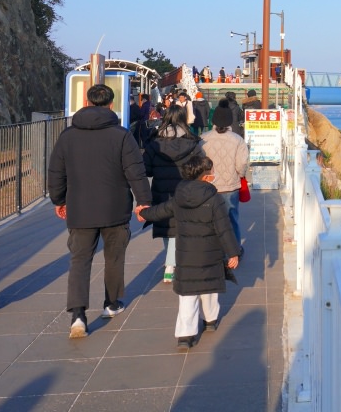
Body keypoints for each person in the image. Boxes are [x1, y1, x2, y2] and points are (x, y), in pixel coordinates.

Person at [47, 84, 151, 339]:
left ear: (87, 101)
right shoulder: (121, 135)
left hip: (80, 208)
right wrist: (143, 203)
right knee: (114, 257)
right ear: (111, 104)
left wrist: (59, 200)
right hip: (115, 207)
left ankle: (78, 316)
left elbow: (56, 172)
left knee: (79, 260)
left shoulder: (68, 135)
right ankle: (111, 303)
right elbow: (135, 172)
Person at [138, 155, 241, 350]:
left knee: (187, 296)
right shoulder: (214, 199)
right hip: (209, 253)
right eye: (210, 172)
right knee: (209, 289)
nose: (213, 175)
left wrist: (143, 213)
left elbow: (161, 211)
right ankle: (210, 320)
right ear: (205, 177)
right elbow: (224, 228)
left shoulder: (179, 196)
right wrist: (233, 253)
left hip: (186, 254)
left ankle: (185, 335)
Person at [142, 103, 202, 283]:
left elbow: (147, 170)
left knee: (166, 226)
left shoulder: (154, 143)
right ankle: (173, 263)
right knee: (180, 227)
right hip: (185, 190)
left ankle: (170, 263)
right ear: (183, 119)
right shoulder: (193, 142)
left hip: (161, 191)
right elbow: (199, 167)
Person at [201, 102, 250, 251]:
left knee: (209, 220)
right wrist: (239, 175)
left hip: (208, 187)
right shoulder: (237, 140)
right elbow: (242, 164)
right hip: (230, 186)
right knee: (231, 219)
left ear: (213, 121)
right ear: (229, 121)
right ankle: (234, 249)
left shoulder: (203, 139)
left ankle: (212, 250)